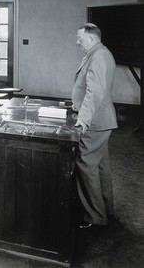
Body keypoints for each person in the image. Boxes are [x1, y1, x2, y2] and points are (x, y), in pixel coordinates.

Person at [72, 23, 118, 229]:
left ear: (90, 38)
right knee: (100, 167)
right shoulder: (100, 53)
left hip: (95, 122)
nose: (77, 42)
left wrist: (83, 120)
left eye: (79, 39)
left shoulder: (98, 56)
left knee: (86, 165)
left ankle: (94, 216)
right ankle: (105, 210)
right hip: (102, 120)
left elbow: (94, 92)